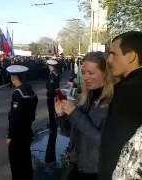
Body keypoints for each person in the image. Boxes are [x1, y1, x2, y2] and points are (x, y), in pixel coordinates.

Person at [55, 51, 115, 180]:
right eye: (83, 72)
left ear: (106, 74)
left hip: (94, 171)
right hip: (75, 165)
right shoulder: (86, 98)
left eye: (91, 73)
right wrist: (61, 116)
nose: (85, 77)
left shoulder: (113, 102)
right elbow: (68, 133)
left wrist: (74, 113)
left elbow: (103, 140)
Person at [99, 31, 142, 180]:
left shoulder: (130, 90)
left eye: (113, 54)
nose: (109, 59)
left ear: (131, 56)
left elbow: (114, 145)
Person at [5, 65, 38, 180]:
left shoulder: (18, 93)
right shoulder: (29, 90)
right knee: (26, 161)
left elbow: (15, 118)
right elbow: (33, 107)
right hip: (27, 130)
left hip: (18, 135)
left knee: (16, 164)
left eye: (11, 77)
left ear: (14, 77)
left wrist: (10, 136)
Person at [45, 59, 60, 165]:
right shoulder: (53, 74)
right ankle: (52, 124)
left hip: (51, 96)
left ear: (52, 66)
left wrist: (52, 95)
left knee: (52, 111)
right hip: (51, 95)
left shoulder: (53, 75)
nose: (48, 67)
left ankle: (53, 125)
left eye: (49, 65)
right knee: (51, 111)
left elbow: (51, 87)